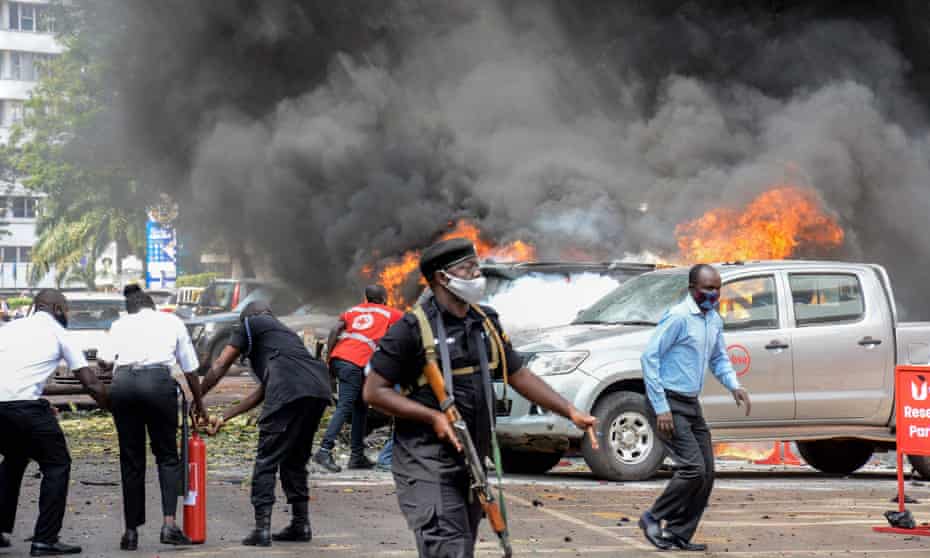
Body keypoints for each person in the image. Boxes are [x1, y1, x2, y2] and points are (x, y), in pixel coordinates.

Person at [364, 237, 597, 558]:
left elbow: (518, 374)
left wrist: (570, 411)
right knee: (449, 545)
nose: (477, 275)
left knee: (459, 546)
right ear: (442, 278)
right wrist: (432, 416)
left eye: (476, 267)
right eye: (467, 269)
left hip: (471, 459)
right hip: (425, 460)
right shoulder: (412, 328)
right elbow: (373, 392)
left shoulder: (485, 322)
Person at [199, 300, 332, 547]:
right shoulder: (284, 336)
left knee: (266, 460)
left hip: (291, 390)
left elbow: (220, 364)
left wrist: (197, 400)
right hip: (317, 390)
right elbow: (263, 391)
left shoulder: (251, 322)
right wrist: (224, 416)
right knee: (294, 459)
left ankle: (262, 529)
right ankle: (300, 525)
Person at [638, 264, 752, 551]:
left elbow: (719, 358)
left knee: (707, 473)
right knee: (692, 469)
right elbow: (649, 358)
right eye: (707, 288)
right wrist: (661, 407)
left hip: (691, 403)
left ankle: (678, 533)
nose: (713, 294)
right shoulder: (678, 317)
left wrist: (734, 385)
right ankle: (653, 517)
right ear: (692, 288)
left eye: (717, 288)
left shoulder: (713, 320)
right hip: (669, 403)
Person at [0, 289, 109, 556]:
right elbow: (91, 383)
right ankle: (45, 540)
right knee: (57, 463)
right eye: (67, 310)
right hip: (25, 409)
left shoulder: (9, 329)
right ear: (58, 309)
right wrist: (117, 408)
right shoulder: (60, 333)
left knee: (15, 459)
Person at [97, 284, 205, 551]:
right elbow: (190, 368)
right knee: (167, 455)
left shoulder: (120, 324)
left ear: (130, 308)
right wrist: (199, 404)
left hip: (123, 385)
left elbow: (104, 360)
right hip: (158, 384)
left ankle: (131, 532)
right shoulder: (172, 321)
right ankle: (169, 524)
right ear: (151, 306)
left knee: (131, 458)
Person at [313, 285, 403, 472]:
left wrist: (330, 360)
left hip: (340, 359)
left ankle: (356, 456)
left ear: (366, 298)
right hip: (355, 363)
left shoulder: (352, 311)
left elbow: (335, 330)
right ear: (385, 298)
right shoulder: (390, 313)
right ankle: (324, 450)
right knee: (345, 406)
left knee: (360, 407)